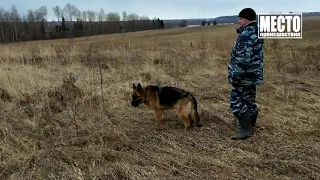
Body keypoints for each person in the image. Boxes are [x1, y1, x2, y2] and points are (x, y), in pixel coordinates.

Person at [228, 8, 264, 140]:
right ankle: (251, 125)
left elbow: (243, 59)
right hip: (253, 74)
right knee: (249, 100)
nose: (238, 21)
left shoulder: (246, 35)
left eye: (241, 19)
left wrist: (235, 75)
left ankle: (244, 129)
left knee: (237, 101)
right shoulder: (257, 31)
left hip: (244, 76)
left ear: (247, 19)